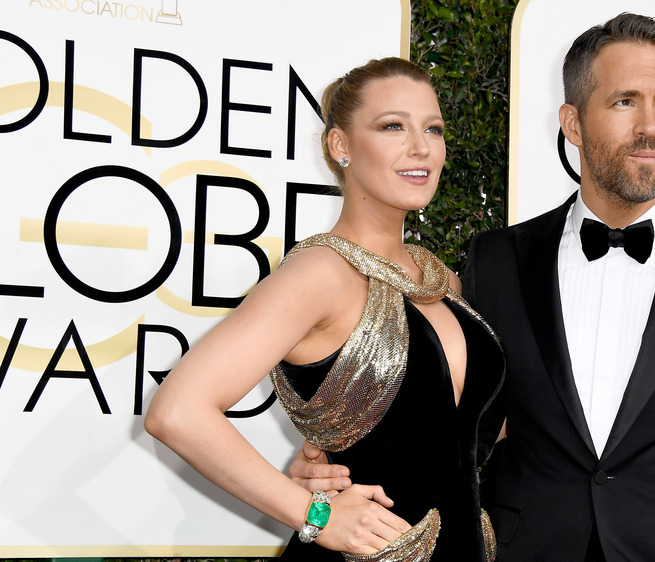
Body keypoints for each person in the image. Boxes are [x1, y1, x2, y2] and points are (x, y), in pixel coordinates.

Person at [293, 13, 655, 561]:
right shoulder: (498, 261)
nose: (651, 126)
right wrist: (342, 461)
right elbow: (461, 430)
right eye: (625, 101)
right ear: (573, 122)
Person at [145, 56, 504, 561]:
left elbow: (461, 434)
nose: (421, 147)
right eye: (393, 126)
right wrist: (316, 515)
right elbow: (177, 412)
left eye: (434, 128)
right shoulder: (320, 273)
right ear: (341, 146)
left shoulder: (440, 279)